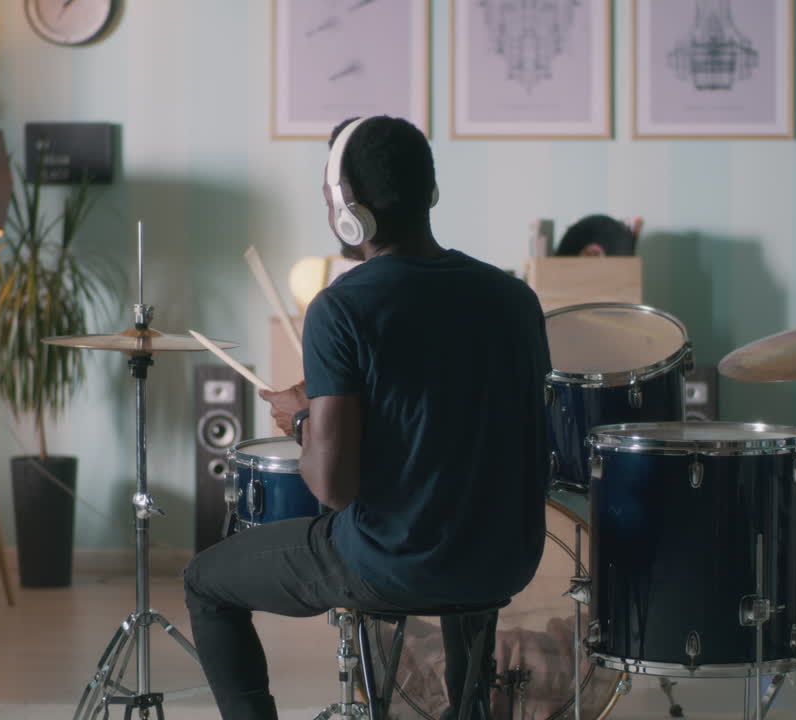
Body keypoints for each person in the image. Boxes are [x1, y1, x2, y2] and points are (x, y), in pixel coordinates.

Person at [183, 115, 552, 720]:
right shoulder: (514, 299)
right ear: (431, 194)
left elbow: (333, 488)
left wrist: (302, 420)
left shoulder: (342, 306)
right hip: (505, 556)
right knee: (455, 557)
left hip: (394, 563)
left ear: (346, 210)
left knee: (206, 581)